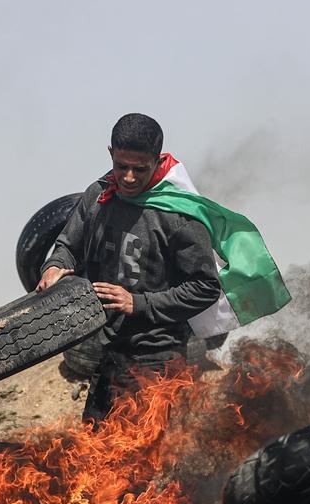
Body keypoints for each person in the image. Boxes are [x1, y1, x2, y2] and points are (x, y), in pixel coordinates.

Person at [37, 113, 291, 423]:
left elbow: (205, 288)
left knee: (144, 458)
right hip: (108, 352)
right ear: (110, 154)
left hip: (156, 359)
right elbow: (68, 246)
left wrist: (137, 303)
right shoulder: (99, 195)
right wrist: (54, 266)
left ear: (157, 162)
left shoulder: (179, 215)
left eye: (140, 169)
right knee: (94, 452)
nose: (129, 178)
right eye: (122, 166)